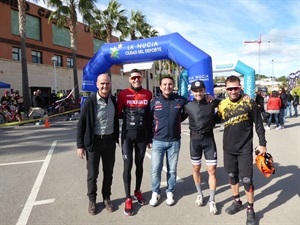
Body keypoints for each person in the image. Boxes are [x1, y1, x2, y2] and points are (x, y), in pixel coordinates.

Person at [217, 75, 267, 225]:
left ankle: (250, 209)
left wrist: (262, 144)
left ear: (240, 88)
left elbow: (258, 125)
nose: (233, 91)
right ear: (225, 89)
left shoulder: (249, 103)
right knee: (232, 177)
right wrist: (208, 99)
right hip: (228, 149)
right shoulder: (222, 105)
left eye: (236, 88)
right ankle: (237, 201)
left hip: (245, 149)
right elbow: (214, 119)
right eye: (230, 88)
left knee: (246, 180)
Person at [76, 74, 119, 215]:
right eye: (102, 84)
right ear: (97, 84)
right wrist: (80, 145)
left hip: (109, 142)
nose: (105, 86)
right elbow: (81, 124)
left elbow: (116, 120)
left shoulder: (113, 100)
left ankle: (106, 198)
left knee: (108, 173)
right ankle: (92, 200)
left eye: (107, 83)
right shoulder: (90, 101)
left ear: (110, 84)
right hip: (94, 142)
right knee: (92, 174)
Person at [117, 68, 152, 216]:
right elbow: (117, 114)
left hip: (142, 137)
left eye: (138, 78)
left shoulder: (148, 94)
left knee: (139, 165)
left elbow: (150, 118)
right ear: (129, 79)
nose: (136, 80)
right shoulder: (123, 94)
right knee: (128, 165)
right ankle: (127, 198)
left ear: (142, 78)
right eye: (133, 78)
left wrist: (150, 138)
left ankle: (137, 191)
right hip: (127, 136)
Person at [149, 75, 187, 207]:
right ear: (160, 87)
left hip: (174, 141)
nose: (167, 86)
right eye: (164, 84)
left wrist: (208, 97)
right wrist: (149, 138)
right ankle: (155, 192)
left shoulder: (180, 100)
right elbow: (149, 121)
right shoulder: (154, 102)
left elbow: (191, 108)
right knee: (155, 169)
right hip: (158, 141)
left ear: (173, 86)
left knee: (172, 170)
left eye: (170, 84)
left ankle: (170, 191)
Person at [183, 80, 220, 215]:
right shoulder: (188, 106)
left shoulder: (212, 103)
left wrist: (214, 98)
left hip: (209, 140)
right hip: (194, 142)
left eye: (200, 90)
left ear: (204, 90)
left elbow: (227, 103)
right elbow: (176, 117)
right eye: (195, 91)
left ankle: (212, 200)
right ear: (192, 92)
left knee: (212, 171)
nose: (198, 93)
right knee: (196, 168)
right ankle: (200, 194)